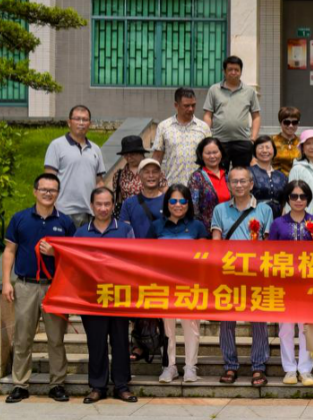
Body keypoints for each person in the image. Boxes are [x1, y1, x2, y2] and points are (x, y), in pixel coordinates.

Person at [2, 173, 76, 404]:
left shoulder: (65, 222)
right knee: (22, 338)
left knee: (56, 338)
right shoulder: (20, 218)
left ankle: (57, 384)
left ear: (58, 193)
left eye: (52, 190)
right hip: (25, 286)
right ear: (35, 191)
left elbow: (74, 256)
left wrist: (56, 252)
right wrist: (7, 282)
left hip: (55, 287)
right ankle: (20, 384)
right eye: (43, 189)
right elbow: (9, 251)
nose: (47, 193)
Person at [210, 167, 274, 387]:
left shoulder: (265, 210)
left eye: (243, 181)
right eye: (234, 181)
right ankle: (230, 365)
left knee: (258, 321)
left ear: (251, 184)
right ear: (229, 185)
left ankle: (258, 366)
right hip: (229, 274)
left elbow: (268, 244)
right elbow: (216, 241)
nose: (238, 185)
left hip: (256, 274)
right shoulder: (220, 209)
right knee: (227, 321)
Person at [73, 187, 137, 404]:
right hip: (92, 298)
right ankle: (97, 386)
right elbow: (75, 264)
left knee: (120, 342)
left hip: (119, 296)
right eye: (99, 204)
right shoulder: (81, 232)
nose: (103, 208)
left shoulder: (125, 230)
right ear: (92, 206)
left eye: (107, 204)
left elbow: (134, 260)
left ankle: (122, 386)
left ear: (113, 205)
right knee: (96, 342)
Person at [147, 184, 208, 384]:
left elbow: (206, 258)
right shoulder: (156, 227)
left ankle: (190, 366)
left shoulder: (198, 227)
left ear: (189, 203)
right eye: (173, 200)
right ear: (167, 203)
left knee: (191, 327)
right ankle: (169, 366)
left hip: (190, 285)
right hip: (163, 285)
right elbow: (146, 255)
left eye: (182, 201)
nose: (178, 205)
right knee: (167, 328)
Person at [267, 180, 313, 387]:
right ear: (288, 199)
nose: (298, 200)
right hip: (285, 283)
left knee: (306, 326)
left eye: (302, 196)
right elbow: (270, 254)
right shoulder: (278, 224)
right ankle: (290, 369)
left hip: (309, 283)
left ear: (308, 199)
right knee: (285, 327)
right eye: (294, 196)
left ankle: (306, 369)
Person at [44, 104, 106, 227]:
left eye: (85, 119)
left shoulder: (95, 149)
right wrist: (50, 206)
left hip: (89, 212)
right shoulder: (56, 145)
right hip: (63, 211)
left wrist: (101, 205)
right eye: (77, 119)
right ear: (69, 122)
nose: (81, 123)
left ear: (90, 123)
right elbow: (49, 179)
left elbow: (99, 182)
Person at [203, 56, 261, 168]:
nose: (233, 72)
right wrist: (208, 137)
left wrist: (253, 138)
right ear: (224, 71)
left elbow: (256, 116)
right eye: (230, 69)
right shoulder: (214, 90)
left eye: (236, 70)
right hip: (219, 141)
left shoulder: (249, 91)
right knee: (219, 173)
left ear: (241, 72)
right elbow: (208, 115)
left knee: (241, 174)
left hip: (243, 141)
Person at [152, 88, 213, 186]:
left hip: (199, 186)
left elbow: (211, 155)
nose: (191, 109)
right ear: (176, 105)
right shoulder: (164, 127)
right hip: (173, 185)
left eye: (193, 105)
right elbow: (157, 157)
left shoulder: (203, 127)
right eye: (186, 106)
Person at [114, 135, 166, 218]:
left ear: (141, 153)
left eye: (132, 154)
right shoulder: (119, 174)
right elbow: (118, 197)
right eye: (126, 155)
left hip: (151, 213)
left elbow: (165, 192)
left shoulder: (155, 172)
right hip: (129, 214)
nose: (129, 158)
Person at [287, 130, 313, 230]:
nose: (312, 147)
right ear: (302, 148)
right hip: (305, 218)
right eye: (308, 144)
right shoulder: (297, 168)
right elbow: (291, 196)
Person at [188, 137, 230, 230]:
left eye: (215, 152)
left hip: (230, 227)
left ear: (221, 153)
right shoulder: (197, 177)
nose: (212, 156)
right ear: (201, 155)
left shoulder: (228, 175)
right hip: (207, 230)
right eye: (208, 153)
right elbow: (193, 208)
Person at [118, 158, 165, 238]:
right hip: (137, 246)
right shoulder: (129, 203)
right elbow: (124, 232)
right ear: (139, 175)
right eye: (146, 172)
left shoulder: (169, 201)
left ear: (160, 175)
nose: (151, 175)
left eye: (154, 172)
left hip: (162, 245)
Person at [250, 135, 287, 219]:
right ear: (255, 151)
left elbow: (285, 200)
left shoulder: (281, 176)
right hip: (255, 217)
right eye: (260, 147)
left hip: (277, 218)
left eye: (268, 147)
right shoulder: (249, 172)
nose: (264, 150)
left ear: (274, 150)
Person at [272, 106, 302, 175]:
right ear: (280, 123)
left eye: (294, 122)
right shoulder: (272, 141)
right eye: (286, 122)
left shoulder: (302, 142)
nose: (291, 126)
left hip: (297, 179)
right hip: (276, 179)